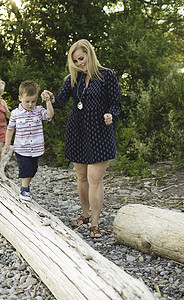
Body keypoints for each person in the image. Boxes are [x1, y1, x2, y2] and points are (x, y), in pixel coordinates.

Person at [41, 39, 121, 238]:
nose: (79, 63)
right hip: (77, 131)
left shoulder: (107, 75)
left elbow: (116, 104)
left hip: (100, 132)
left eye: (81, 59)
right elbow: (59, 102)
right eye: (75, 61)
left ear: (89, 54)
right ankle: (85, 214)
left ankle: (95, 223)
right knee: (82, 177)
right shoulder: (72, 79)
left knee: (95, 179)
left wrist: (110, 114)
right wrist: (49, 97)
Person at [4, 80, 54, 201]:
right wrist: (7, 145)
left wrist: (48, 101)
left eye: (33, 101)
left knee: (33, 169)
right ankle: (24, 190)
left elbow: (49, 115)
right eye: (27, 101)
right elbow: (10, 129)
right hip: (21, 148)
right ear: (20, 98)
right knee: (25, 169)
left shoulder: (38, 111)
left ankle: (25, 186)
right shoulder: (15, 114)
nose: (30, 104)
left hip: (36, 148)